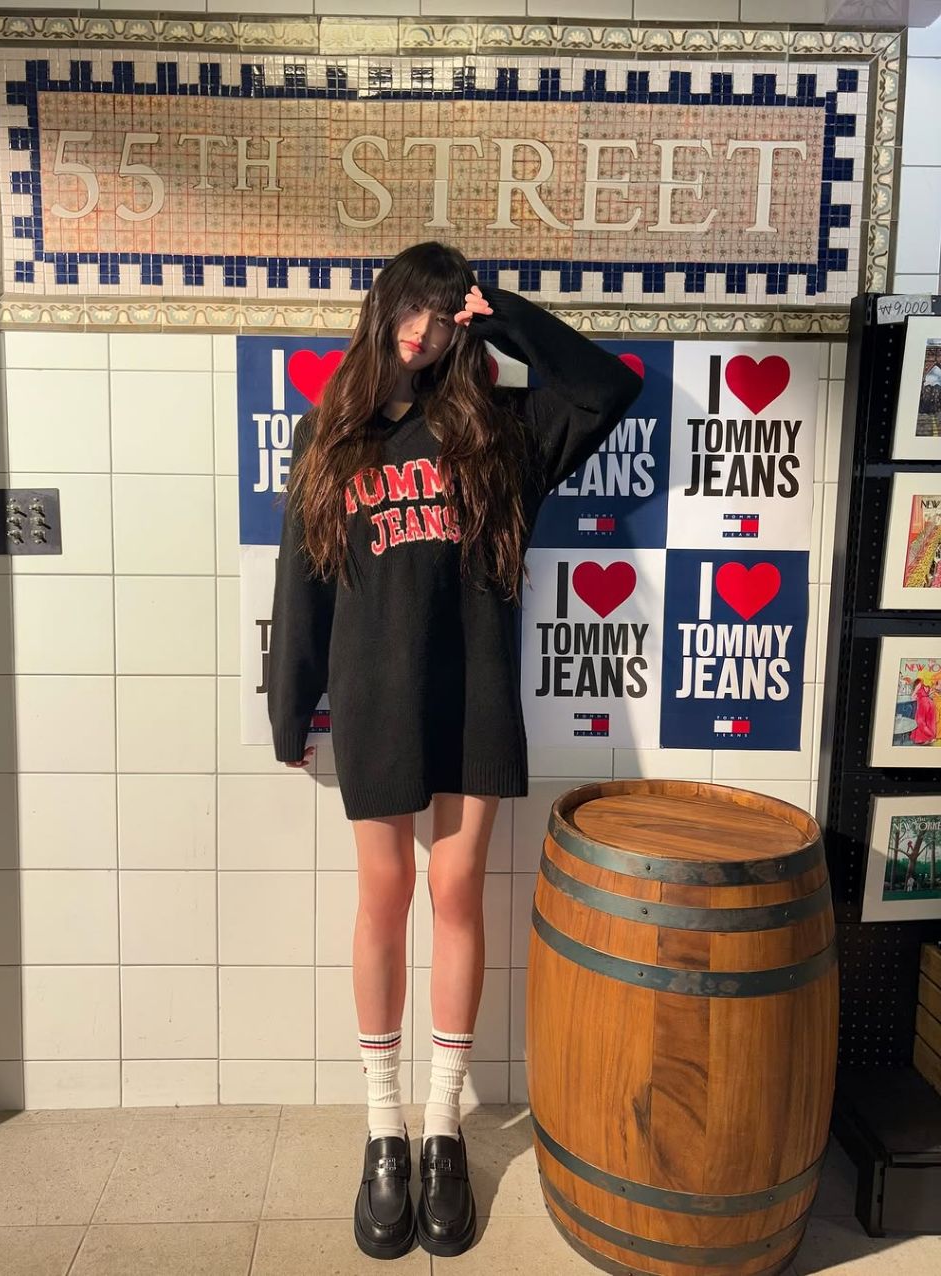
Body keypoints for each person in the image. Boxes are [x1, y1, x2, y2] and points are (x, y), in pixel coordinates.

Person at [267, 241, 642, 1259]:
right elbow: (300, 578)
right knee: (383, 895)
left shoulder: (500, 431)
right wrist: (291, 704)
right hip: (375, 695)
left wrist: (502, 312)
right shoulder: (333, 432)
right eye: (413, 308)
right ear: (383, 304)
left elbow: (608, 388)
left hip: (472, 691)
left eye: (444, 315)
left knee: (458, 893)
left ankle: (442, 1127)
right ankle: (382, 1127)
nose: (423, 331)